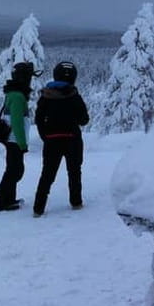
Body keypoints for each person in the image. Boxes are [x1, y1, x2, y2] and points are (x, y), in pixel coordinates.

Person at [32, 61, 90, 217]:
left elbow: (38, 119)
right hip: (73, 139)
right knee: (74, 172)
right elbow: (84, 120)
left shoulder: (46, 95)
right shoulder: (74, 96)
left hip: (51, 140)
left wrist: (45, 136)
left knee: (47, 174)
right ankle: (76, 202)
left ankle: (38, 208)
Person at [0, 61, 41, 211]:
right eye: (29, 77)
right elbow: (17, 121)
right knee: (15, 170)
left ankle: (8, 198)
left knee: (14, 169)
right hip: (14, 140)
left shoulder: (14, 93)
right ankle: (4, 201)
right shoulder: (17, 96)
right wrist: (22, 143)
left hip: (12, 139)